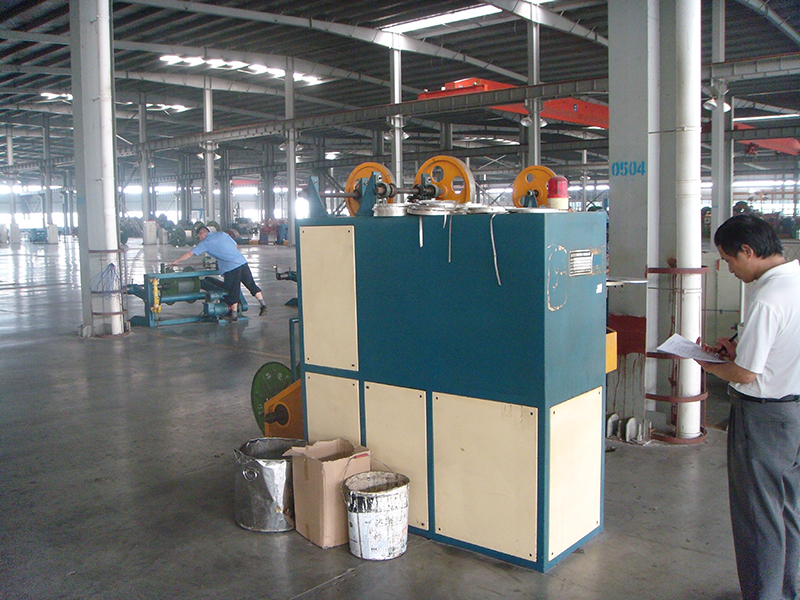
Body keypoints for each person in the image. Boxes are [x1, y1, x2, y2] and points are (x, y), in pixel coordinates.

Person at [696, 214, 800, 600]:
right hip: (793, 411)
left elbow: (744, 374)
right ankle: (786, 591)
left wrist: (706, 363)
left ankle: (763, 594)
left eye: (729, 260)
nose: (729, 269)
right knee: (787, 509)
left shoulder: (768, 298)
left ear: (748, 251)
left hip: (764, 417)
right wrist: (736, 351)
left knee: (758, 515)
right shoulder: (795, 281)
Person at [170, 226, 267, 321]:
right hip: (242, 262)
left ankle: (233, 315)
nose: (199, 239)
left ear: (203, 233)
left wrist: (176, 261)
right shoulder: (222, 234)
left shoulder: (206, 242)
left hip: (231, 267)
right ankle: (263, 305)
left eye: (198, 236)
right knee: (251, 284)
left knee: (233, 290)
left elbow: (190, 253)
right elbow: (235, 245)